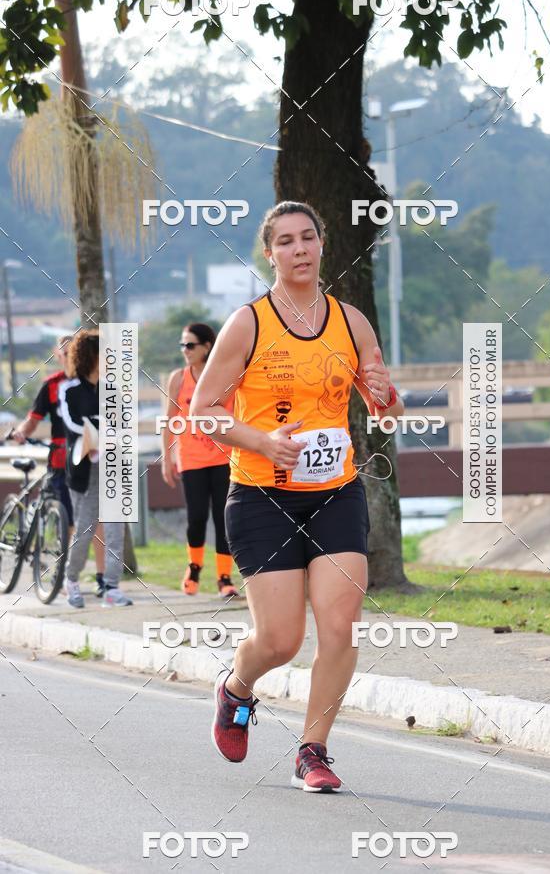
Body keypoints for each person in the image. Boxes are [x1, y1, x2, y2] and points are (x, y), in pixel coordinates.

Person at [190, 201, 404, 792]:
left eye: (308, 237)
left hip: (336, 492)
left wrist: (387, 395)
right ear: (270, 254)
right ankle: (236, 688)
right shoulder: (248, 324)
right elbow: (203, 411)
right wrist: (262, 441)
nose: (299, 249)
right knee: (281, 641)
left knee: (341, 625)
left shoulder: (351, 323)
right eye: (285, 241)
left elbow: (387, 415)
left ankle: (314, 750)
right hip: (262, 496)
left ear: (322, 244)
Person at [12, 334, 107, 597]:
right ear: (58, 355)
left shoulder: (98, 385)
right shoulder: (53, 385)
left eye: (73, 352)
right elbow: (33, 419)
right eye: (65, 354)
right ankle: (63, 575)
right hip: (61, 461)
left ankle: (102, 578)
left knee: (96, 520)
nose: (70, 358)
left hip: (92, 459)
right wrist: (21, 432)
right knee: (67, 520)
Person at [162, 323, 239, 599]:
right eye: (182, 345)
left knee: (222, 518)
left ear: (207, 346)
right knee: (196, 518)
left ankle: (224, 578)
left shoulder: (223, 376)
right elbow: (170, 421)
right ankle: (194, 568)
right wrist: (167, 458)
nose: (185, 350)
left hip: (223, 458)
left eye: (190, 345)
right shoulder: (178, 378)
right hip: (191, 459)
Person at [58, 329, 132, 608]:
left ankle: (111, 587)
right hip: (83, 470)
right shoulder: (69, 390)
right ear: (91, 356)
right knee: (85, 529)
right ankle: (71, 580)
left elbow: (123, 423)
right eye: (105, 353)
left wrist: (106, 432)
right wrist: (101, 429)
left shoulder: (113, 389)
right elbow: (73, 424)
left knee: (115, 529)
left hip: (113, 466)